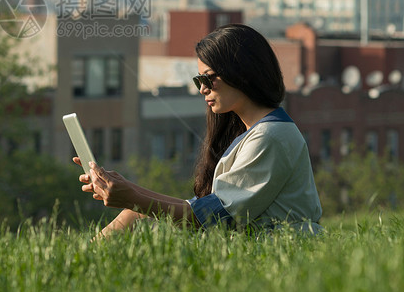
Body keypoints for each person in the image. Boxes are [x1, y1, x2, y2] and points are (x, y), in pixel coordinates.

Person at [75, 23, 322, 236]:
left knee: (135, 216)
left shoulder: (271, 136)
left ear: (242, 71)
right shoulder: (256, 133)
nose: (202, 88)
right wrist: (127, 189)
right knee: (132, 215)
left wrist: (132, 198)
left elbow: (214, 218)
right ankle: (78, 263)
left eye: (208, 78)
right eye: (198, 80)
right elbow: (202, 209)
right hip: (255, 246)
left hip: (275, 252)